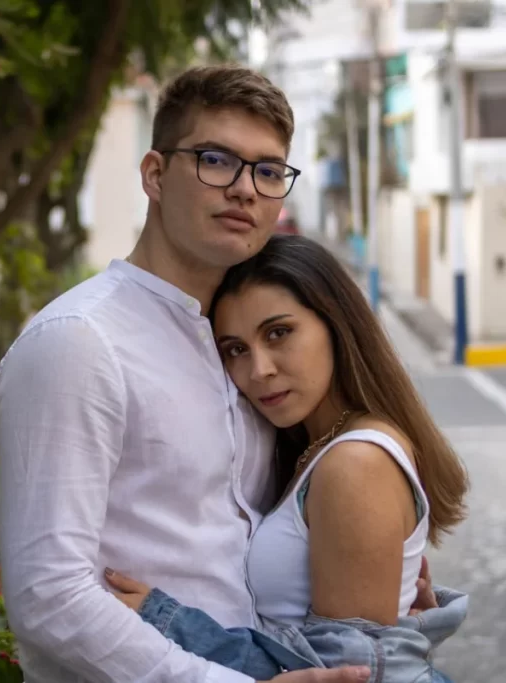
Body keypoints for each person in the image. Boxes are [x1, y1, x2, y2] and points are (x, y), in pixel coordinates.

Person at [0, 64, 436, 683]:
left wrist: (379, 567)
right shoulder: (79, 342)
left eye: (268, 171)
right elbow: (49, 595)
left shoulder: (236, 348)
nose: (245, 189)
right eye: (216, 161)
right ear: (154, 174)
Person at [103, 234, 470, 682]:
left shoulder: (355, 462)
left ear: (335, 324)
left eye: (278, 333)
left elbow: (345, 673)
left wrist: (172, 623)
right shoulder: (314, 447)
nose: (259, 370)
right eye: (236, 349)